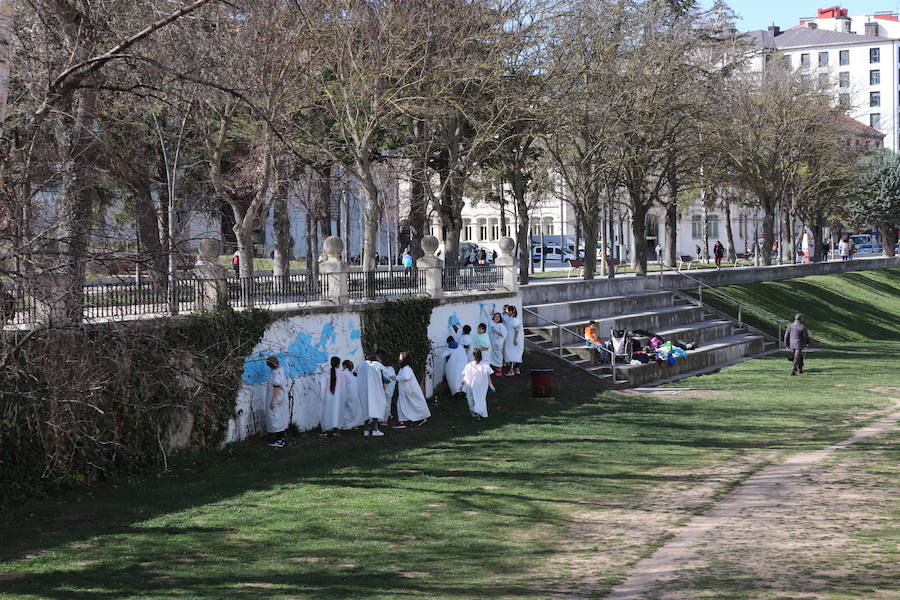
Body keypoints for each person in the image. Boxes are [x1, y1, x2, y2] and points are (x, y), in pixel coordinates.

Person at [394, 352, 431, 427]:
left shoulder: (406, 368)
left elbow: (406, 377)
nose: (399, 359)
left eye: (400, 357)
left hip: (408, 390)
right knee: (402, 405)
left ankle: (418, 418)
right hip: (406, 390)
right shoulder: (405, 368)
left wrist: (395, 377)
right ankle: (402, 421)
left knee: (412, 404)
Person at [354, 355, 388, 437]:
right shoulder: (377, 364)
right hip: (375, 390)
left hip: (363, 390)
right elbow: (385, 371)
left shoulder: (361, 364)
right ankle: (375, 430)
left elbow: (354, 373)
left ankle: (366, 430)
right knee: (375, 408)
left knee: (365, 409)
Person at [461, 349, 494, 420]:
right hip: (481, 386)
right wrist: (491, 385)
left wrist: (463, 382)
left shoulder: (469, 365)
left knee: (471, 399)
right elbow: (488, 376)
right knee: (480, 399)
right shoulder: (485, 365)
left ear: (473, 356)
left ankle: (475, 413)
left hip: (471, 385)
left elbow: (465, 375)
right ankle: (478, 412)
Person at [265, 356, 289, 448]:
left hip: (277, 398)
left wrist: (273, 401)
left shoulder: (275, 374)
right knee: (280, 416)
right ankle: (280, 438)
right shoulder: (280, 369)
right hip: (282, 397)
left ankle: (279, 440)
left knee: (275, 418)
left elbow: (277, 387)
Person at [319, 357, 344, 437]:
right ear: (339, 364)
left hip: (328, 397)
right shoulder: (341, 374)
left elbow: (322, 386)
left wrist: (322, 396)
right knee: (336, 413)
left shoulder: (326, 373)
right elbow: (344, 387)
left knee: (328, 413)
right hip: (338, 398)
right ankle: (336, 429)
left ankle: (328, 429)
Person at [341, 360, 365, 430]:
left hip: (349, 393)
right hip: (356, 393)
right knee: (355, 409)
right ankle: (356, 423)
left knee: (348, 410)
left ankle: (349, 424)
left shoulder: (344, 373)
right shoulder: (353, 373)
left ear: (345, 366)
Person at [501, 305, 524, 376]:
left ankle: (512, 370)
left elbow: (516, 331)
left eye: (507, 310)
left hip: (514, 340)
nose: (506, 311)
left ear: (511, 312)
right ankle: (515, 369)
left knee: (513, 354)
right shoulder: (510, 319)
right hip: (510, 339)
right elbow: (502, 316)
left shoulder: (516, 321)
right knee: (512, 354)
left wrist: (515, 339)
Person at [381, 353, 397, 427]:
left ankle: (384, 420)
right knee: (386, 404)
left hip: (387, 389)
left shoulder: (388, 368)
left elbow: (388, 379)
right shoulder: (389, 368)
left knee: (386, 405)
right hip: (387, 389)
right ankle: (383, 419)